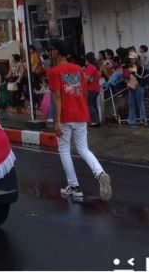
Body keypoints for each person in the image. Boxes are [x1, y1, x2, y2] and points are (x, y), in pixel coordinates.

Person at [48, 39, 112, 202]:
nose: (50, 52)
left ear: (56, 52)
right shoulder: (78, 69)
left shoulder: (54, 71)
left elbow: (56, 96)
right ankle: (100, 173)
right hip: (80, 114)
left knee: (64, 149)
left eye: (51, 49)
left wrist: (56, 120)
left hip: (65, 115)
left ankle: (74, 186)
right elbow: (83, 92)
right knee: (83, 148)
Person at [126, 52, 148, 125]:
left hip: (139, 85)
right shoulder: (130, 66)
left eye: (133, 59)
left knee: (140, 102)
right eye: (130, 59)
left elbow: (141, 77)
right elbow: (128, 75)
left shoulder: (140, 67)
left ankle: (143, 119)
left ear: (136, 59)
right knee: (131, 103)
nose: (131, 60)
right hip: (131, 85)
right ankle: (132, 120)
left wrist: (133, 72)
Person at [83, 53, 101, 127]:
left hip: (91, 88)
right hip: (96, 88)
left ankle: (95, 120)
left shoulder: (90, 67)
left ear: (87, 59)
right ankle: (96, 121)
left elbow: (87, 78)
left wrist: (82, 75)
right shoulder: (94, 66)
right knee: (94, 104)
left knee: (89, 104)